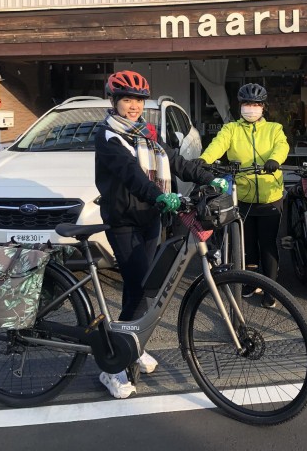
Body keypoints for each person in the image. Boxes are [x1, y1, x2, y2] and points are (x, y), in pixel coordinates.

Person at [94, 70, 227, 399]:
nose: (134, 106)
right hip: (123, 220)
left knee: (145, 287)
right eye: (127, 100)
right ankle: (111, 366)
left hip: (150, 219)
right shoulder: (108, 136)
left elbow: (177, 162)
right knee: (139, 287)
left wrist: (212, 176)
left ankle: (133, 345)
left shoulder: (148, 133)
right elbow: (132, 175)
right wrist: (159, 195)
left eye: (138, 100)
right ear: (114, 102)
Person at [198, 83, 289, 309]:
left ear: (263, 108)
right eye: (247, 104)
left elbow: (282, 146)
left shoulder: (274, 129)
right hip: (243, 196)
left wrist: (274, 160)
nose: (251, 108)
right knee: (247, 243)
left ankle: (271, 287)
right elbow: (218, 145)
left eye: (256, 104)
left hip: (270, 196)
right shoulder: (231, 129)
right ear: (240, 106)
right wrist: (203, 161)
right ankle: (251, 282)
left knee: (267, 243)